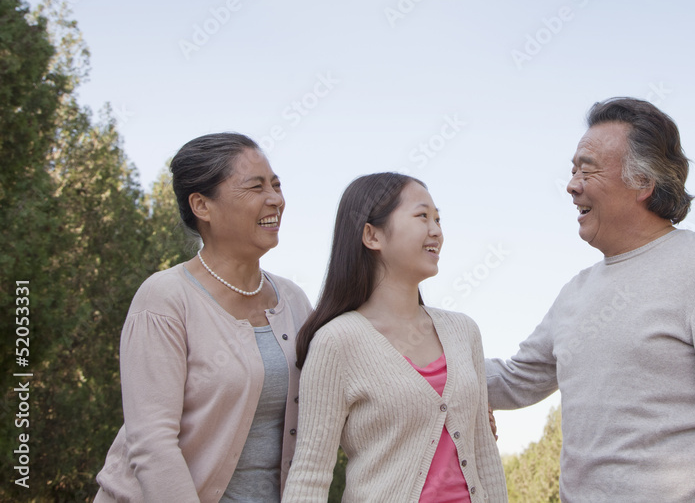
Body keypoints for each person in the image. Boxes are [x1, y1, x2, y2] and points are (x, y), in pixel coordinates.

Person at [486, 97, 695, 501]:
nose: (571, 184)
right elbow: (513, 382)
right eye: (572, 169)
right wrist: (406, 345)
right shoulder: (574, 293)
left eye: (587, 168)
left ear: (643, 182)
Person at [95, 133, 313, 502]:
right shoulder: (164, 298)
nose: (275, 199)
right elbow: (152, 443)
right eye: (256, 187)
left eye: (276, 185)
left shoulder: (292, 300)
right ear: (202, 205)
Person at [282, 173, 506, 503]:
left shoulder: (464, 331)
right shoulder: (337, 342)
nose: (436, 230)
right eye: (422, 216)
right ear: (371, 236)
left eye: (438, 218)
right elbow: (310, 475)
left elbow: (484, 456)